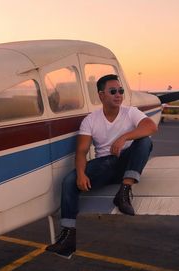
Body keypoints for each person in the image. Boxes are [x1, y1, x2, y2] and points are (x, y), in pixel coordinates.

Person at [46, 74, 157, 259]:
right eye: (113, 91)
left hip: (127, 162)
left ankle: (124, 192)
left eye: (120, 91)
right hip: (104, 166)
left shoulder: (131, 112)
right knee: (69, 181)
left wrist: (124, 137)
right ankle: (68, 239)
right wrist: (81, 174)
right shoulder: (91, 120)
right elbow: (81, 151)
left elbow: (151, 127)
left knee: (145, 141)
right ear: (101, 95)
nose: (118, 95)